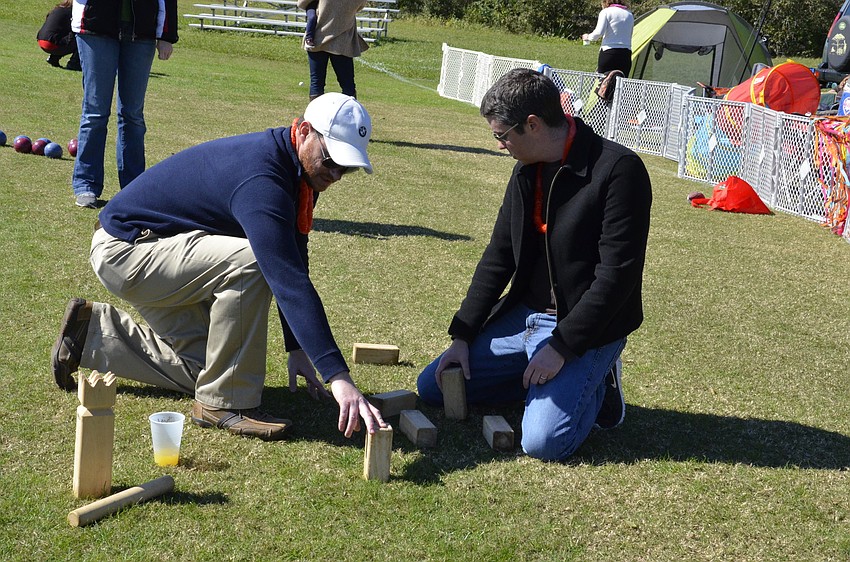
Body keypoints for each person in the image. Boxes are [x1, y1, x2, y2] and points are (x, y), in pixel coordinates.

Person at [51, 93, 387, 442]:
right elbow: (285, 277)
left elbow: (294, 257)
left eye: (346, 167)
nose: (335, 174)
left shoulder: (300, 171)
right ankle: (226, 405)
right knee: (254, 262)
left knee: (211, 370)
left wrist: (297, 349)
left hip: (156, 252)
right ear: (303, 131)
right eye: (331, 159)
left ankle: (89, 335)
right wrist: (339, 377)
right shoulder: (264, 178)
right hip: (127, 251)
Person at [416, 68, 652, 462]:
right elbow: (499, 255)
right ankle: (541, 377)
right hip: (523, 317)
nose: (500, 145)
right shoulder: (525, 172)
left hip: (583, 331)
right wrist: (462, 334)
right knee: (435, 387)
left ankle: (599, 379)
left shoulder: (619, 170)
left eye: (502, 136)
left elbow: (617, 276)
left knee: (543, 442)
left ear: (533, 124)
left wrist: (562, 346)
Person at [70, 0, 178, 209]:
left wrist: (166, 35)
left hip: (142, 31)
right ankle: (86, 185)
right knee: (95, 113)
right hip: (95, 26)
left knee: (133, 115)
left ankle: (134, 188)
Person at [297, 0, 368, 100]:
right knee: (348, 85)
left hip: (317, 38)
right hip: (342, 42)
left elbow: (302, 2)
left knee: (317, 83)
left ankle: (314, 115)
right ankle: (350, 114)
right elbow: (360, 7)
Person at [582, 0, 634, 76]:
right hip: (625, 54)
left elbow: (599, 33)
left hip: (609, 52)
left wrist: (588, 37)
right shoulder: (629, 14)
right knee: (621, 84)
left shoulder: (606, 12)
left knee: (604, 84)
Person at [37, 1, 81, 71]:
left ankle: (53, 58)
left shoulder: (58, 8)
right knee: (82, 36)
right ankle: (74, 64)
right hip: (52, 43)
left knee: (63, 36)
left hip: (41, 40)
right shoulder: (73, 11)